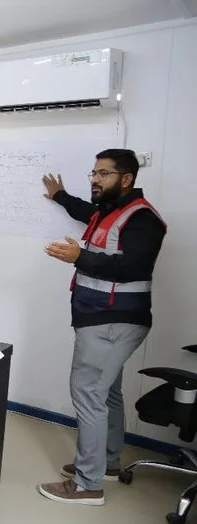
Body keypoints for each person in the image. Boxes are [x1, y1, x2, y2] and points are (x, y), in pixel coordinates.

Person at [37, 148, 167, 505]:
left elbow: (134, 268)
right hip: (103, 318)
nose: (95, 179)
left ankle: (86, 484)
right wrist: (60, 196)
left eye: (104, 174)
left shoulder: (142, 219)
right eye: (93, 173)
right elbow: (85, 211)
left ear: (126, 179)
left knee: (89, 393)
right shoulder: (110, 211)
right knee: (107, 392)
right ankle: (108, 463)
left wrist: (80, 257)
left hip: (112, 320)